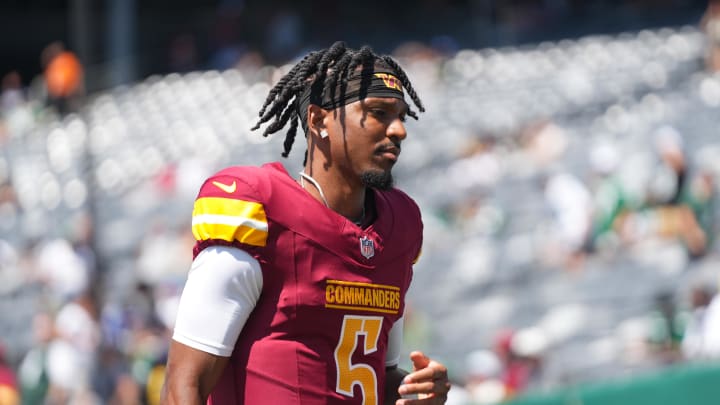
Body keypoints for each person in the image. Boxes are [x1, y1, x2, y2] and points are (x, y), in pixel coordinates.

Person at [161, 41, 451, 404]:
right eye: (378, 113)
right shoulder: (261, 215)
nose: (398, 131)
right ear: (318, 120)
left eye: (401, 117)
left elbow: (371, 376)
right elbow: (182, 386)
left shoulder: (397, 230)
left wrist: (417, 392)